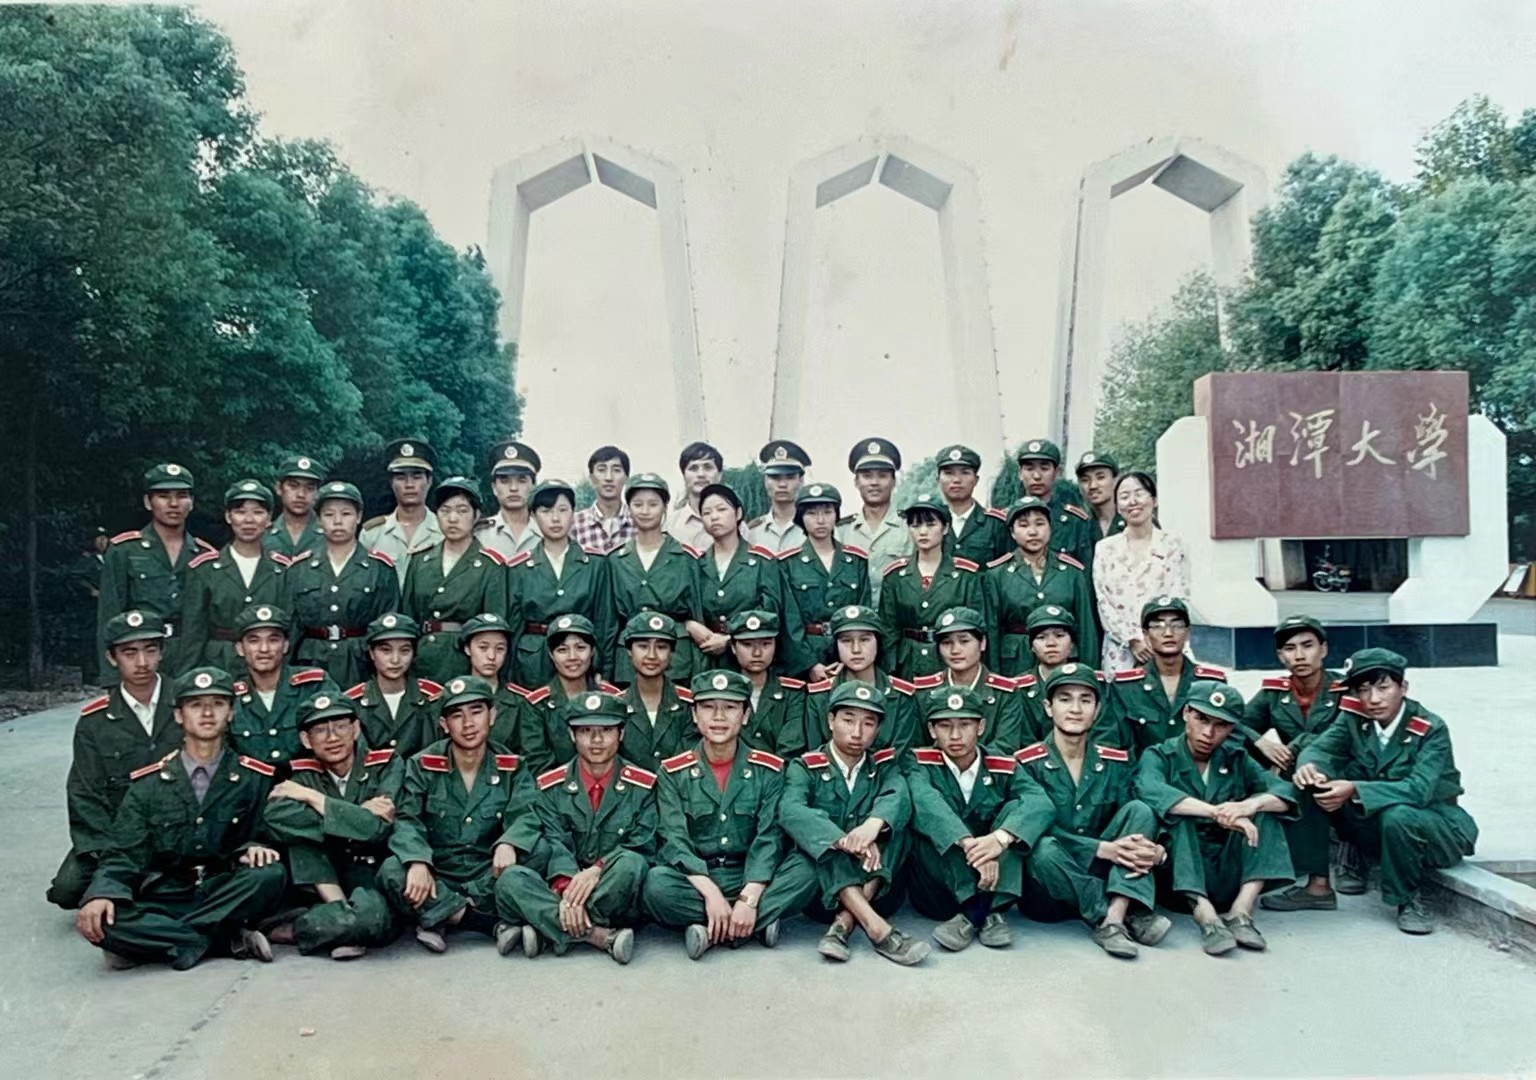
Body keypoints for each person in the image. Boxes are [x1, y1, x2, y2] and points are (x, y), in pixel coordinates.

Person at [74, 667, 286, 970]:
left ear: (231, 713)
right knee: (105, 921)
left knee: (269, 874)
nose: (207, 713)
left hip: (225, 888)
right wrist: (102, 893)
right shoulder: (149, 784)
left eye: (218, 704)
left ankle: (164, 941)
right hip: (168, 894)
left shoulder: (254, 777)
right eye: (196, 705)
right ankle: (225, 938)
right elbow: (123, 853)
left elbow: (266, 833)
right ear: (178, 715)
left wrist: (256, 846)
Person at [1287, 649, 1478, 935]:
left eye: (1383, 687)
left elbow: (1418, 790)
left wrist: (1355, 789)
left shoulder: (1430, 729)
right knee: (1313, 783)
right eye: (1363, 690)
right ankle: (1318, 887)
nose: (1373, 699)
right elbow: (1321, 748)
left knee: (1398, 814)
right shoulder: (1354, 719)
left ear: (1403, 688)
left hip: (1437, 826)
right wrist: (1310, 766)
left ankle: (1408, 901)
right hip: (1381, 824)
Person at [640, 670, 816, 960]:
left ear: (745, 715)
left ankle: (713, 929)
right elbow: (673, 839)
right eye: (709, 707)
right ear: (694, 715)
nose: (719, 717)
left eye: (730, 707)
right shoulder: (673, 772)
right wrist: (711, 894)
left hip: (749, 874)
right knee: (655, 885)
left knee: (807, 869)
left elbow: (770, 837)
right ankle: (750, 925)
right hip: (698, 879)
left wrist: (749, 896)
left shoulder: (769, 770)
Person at [1013, 664, 1171, 959]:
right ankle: (1116, 913)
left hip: (1102, 869)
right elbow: (1030, 831)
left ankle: (1114, 917)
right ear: (1048, 707)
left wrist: (1157, 851)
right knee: (1043, 848)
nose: (1075, 709)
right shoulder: (1026, 764)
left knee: (1139, 810)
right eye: (1065, 699)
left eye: (1085, 700)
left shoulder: (1114, 762)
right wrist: (1101, 849)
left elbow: (1136, 821)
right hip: (1049, 888)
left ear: (1097, 710)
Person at [1134, 680, 1297, 956]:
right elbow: (1150, 789)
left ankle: (1241, 913)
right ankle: (1206, 917)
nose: (1208, 733)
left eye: (1221, 725)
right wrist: (1218, 812)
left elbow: (1284, 793)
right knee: (1178, 816)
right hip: (1178, 881)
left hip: (1225, 873)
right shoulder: (1160, 755)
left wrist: (1249, 805)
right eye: (1201, 719)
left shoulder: (1236, 758)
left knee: (1265, 813)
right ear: (1186, 713)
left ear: (1232, 728)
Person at [495, 692, 657, 964]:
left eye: (606, 730)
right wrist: (568, 890)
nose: (596, 740)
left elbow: (643, 843)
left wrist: (597, 869)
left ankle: (550, 925)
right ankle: (596, 935)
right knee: (511, 879)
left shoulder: (643, 786)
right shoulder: (551, 786)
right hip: (564, 885)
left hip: (612, 885)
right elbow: (554, 842)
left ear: (621, 734)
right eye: (585, 731)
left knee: (631, 863)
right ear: (572, 735)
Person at [377, 675, 535, 954]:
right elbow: (406, 819)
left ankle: (440, 915)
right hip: (437, 871)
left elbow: (527, 813)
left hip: (487, 872)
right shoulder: (422, 765)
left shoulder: (512, 766)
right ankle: (484, 922)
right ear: (443, 724)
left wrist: (509, 842)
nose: (468, 723)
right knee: (391, 870)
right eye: (457, 716)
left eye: (476, 712)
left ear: (492, 716)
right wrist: (417, 861)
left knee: (539, 850)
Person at [779, 682, 928, 965]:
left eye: (868, 723)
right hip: (823, 894)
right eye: (848, 720)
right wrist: (843, 840)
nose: (857, 732)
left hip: (877, 886)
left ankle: (844, 925)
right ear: (830, 721)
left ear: (878, 729)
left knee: (897, 831)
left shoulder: (883, 766)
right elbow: (791, 809)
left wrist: (872, 826)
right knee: (823, 844)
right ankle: (877, 929)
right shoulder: (805, 766)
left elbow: (897, 796)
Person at [903, 685, 1055, 953]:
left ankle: (978, 912)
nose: (955, 735)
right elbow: (926, 803)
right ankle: (986, 910)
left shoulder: (1001, 764)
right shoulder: (918, 762)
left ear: (981, 727)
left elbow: (1040, 802)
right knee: (933, 825)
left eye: (965, 725)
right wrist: (974, 849)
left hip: (991, 878)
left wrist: (999, 840)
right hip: (937, 889)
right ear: (931, 730)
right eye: (945, 726)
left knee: (1015, 813)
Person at [48, 611, 181, 910]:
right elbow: (84, 792)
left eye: (150, 650)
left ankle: (147, 884)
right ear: (112, 657)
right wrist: (109, 851)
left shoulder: (189, 702)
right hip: (121, 833)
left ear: (162, 652)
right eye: (129, 653)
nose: (142, 662)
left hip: (178, 827)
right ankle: (146, 882)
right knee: (67, 889)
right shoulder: (94, 721)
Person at [260, 692, 404, 960]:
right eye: (320, 730)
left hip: (370, 875)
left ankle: (291, 928)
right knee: (300, 840)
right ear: (306, 739)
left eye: (340, 726)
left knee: (375, 919)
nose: (332, 737)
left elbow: (377, 828)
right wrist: (357, 815)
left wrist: (313, 798)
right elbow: (275, 817)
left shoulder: (386, 764)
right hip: (322, 879)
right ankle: (344, 919)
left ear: (356, 729)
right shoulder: (300, 774)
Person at [1239, 616, 1348, 913]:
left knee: (1307, 777)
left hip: (1344, 775)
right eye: (1290, 648)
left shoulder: (1344, 689)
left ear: (1324, 649)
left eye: (1307, 646)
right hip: (1298, 773)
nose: (1299, 655)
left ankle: (1319, 886)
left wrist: (1295, 748)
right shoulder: (1275, 692)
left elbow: (1342, 737)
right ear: (1280, 656)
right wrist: (1260, 741)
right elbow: (1234, 724)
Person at [97, 462, 217, 680]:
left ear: (191, 502)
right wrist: (111, 679)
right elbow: (109, 615)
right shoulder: (125, 550)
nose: (173, 504)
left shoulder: (205, 554)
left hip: (192, 657)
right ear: (148, 502)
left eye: (181, 496)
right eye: (163, 496)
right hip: (141, 655)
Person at [286, 481, 400, 687]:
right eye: (329, 514)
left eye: (346, 514)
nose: (337, 521)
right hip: (310, 661)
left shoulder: (379, 568)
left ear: (359, 516)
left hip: (361, 663)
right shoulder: (299, 568)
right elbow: (290, 628)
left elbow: (388, 626)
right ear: (319, 519)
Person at [506, 478, 616, 688]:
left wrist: (603, 669)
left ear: (573, 514)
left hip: (581, 657)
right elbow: (513, 625)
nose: (555, 518)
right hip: (533, 659)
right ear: (533, 516)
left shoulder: (595, 563)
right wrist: (508, 674)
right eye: (546, 511)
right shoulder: (518, 568)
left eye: (563, 510)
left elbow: (605, 621)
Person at [401, 476, 510, 683]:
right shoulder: (420, 560)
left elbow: (495, 627)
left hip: (465, 661)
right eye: (445, 511)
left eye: (462, 511)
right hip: (423, 660)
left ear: (476, 515)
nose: (452, 518)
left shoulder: (490, 566)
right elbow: (408, 617)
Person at [182, 480, 290, 673]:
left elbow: (291, 627)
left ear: (269, 518)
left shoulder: (283, 569)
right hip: (218, 664)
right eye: (240, 512)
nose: (249, 520)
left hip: (269, 665)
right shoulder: (204, 568)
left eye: (257, 512)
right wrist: (188, 676)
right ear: (228, 516)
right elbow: (194, 631)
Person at [608, 471, 704, 685]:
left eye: (653, 504)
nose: (645, 511)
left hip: (676, 656)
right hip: (628, 656)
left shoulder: (685, 557)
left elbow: (698, 615)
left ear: (665, 508)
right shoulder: (615, 559)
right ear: (628, 509)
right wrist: (604, 670)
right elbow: (609, 620)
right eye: (638, 504)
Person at [984, 495, 1098, 674]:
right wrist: (994, 677)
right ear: (1012, 532)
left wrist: (1089, 673)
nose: (1033, 532)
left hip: (1064, 660)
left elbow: (1086, 628)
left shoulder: (1071, 572)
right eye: (1023, 525)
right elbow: (992, 630)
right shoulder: (997, 575)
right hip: (1016, 661)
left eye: (1040, 524)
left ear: (1050, 528)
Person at [878, 492, 985, 680]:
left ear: (945, 528)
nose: (923, 532)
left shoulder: (966, 575)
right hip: (907, 662)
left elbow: (977, 626)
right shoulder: (895, 576)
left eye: (931, 524)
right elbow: (888, 629)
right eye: (915, 525)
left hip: (950, 660)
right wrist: (890, 670)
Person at [686, 482, 793, 670]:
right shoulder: (696, 564)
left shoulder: (762, 561)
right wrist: (690, 625)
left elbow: (773, 610)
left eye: (721, 509)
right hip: (706, 659)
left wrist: (731, 639)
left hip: (752, 656)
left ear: (738, 514)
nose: (714, 517)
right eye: (707, 513)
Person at [1093, 471, 1189, 673]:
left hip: (1166, 644)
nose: (1132, 501)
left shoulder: (1172, 545)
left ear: (1154, 500)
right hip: (1121, 648)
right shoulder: (1105, 548)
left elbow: (1179, 595)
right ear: (1117, 506)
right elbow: (1104, 601)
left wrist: (1156, 637)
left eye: (1139, 493)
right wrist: (1133, 639)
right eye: (1124, 496)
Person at [1108, 597, 1226, 757]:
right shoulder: (1125, 687)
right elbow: (1111, 744)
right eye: (1158, 626)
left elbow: (1230, 736)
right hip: (1143, 771)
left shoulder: (1211, 684)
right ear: (1145, 635)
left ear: (1188, 632)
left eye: (1177, 625)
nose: (1168, 633)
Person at [795, 605, 919, 757]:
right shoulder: (819, 697)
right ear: (836, 645)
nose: (856, 649)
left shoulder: (901, 696)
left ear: (878, 642)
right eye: (846, 641)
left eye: (864, 640)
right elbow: (816, 754)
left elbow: (901, 756)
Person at [777, 482, 870, 679]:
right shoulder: (787, 564)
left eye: (827, 512)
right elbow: (789, 621)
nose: (820, 520)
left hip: (849, 652)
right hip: (806, 655)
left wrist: (851, 658)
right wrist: (810, 665)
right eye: (812, 513)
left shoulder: (856, 561)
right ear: (801, 517)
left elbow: (865, 614)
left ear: (836, 515)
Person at [511, 613, 622, 773]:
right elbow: (537, 761)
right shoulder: (536, 705)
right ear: (551, 655)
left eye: (580, 648)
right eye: (562, 650)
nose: (572, 657)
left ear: (592, 651)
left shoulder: (612, 698)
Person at [228, 603, 332, 768]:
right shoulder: (231, 698)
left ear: (285, 646)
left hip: (309, 780)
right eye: (254, 641)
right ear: (240, 649)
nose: (264, 649)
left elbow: (340, 741)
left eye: (273, 640)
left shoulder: (314, 686)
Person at [928, 605, 1027, 753]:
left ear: (983, 643)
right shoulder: (926, 691)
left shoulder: (1006, 693)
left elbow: (1006, 745)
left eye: (964, 641)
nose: (955, 650)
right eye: (946, 643)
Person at [345, 613, 443, 757]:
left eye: (405, 650)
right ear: (372, 653)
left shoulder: (433, 698)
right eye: (386, 650)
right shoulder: (352, 703)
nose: (395, 660)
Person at [613, 612, 697, 767]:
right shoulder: (615, 706)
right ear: (629, 650)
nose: (652, 655)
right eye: (643, 646)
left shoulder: (690, 705)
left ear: (671, 653)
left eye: (661, 647)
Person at [836, 438, 912, 604]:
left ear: (894, 481)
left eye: (882, 476)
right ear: (856, 482)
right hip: (853, 616)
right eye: (867, 476)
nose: (874, 483)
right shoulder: (841, 531)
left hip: (897, 615)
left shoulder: (911, 527)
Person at [361, 438, 442, 588]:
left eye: (417, 477)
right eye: (401, 477)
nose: (409, 484)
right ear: (391, 483)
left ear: (429, 481)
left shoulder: (444, 531)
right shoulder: (372, 534)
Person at [725, 610, 808, 755]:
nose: (757, 653)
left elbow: (791, 748)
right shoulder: (722, 694)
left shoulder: (792, 694)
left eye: (765, 644)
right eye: (747, 644)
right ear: (733, 647)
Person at [1015, 439, 1093, 568]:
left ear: (1057, 473)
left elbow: (1084, 570)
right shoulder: (1006, 520)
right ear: (1020, 473)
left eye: (1044, 468)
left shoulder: (1075, 521)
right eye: (1029, 468)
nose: (1036, 476)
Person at [935, 443, 1010, 565]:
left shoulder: (996, 524)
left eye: (965, 473)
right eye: (949, 473)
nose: (956, 480)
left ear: (976, 480)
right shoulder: (929, 523)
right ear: (938, 479)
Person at [475, 439, 543, 560]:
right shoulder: (478, 534)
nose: (513, 488)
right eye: (504, 481)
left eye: (521, 480)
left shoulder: (546, 532)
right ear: (494, 488)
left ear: (533, 486)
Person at [745, 439, 810, 553]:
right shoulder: (751, 531)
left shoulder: (813, 527)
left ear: (801, 481)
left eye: (790, 477)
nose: (782, 484)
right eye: (775, 477)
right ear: (765, 481)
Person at [571, 445, 635, 555]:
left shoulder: (639, 522)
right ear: (591, 478)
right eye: (601, 470)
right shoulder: (574, 524)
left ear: (626, 478)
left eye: (616, 470)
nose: (609, 477)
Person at [264, 454, 326, 563]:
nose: (301, 494)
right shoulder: (262, 535)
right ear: (279, 488)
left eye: (309, 488)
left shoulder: (330, 534)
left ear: (317, 493)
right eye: (293, 486)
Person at [666, 441, 724, 552]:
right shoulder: (669, 526)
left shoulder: (736, 525)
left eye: (708, 467)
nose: (701, 474)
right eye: (693, 468)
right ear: (684, 475)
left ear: (719, 475)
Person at [1073, 449, 1125, 553]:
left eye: (1100, 477)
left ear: (1115, 480)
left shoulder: (1133, 520)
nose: (1093, 486)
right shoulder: (1077, 525)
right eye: (1085, 480)